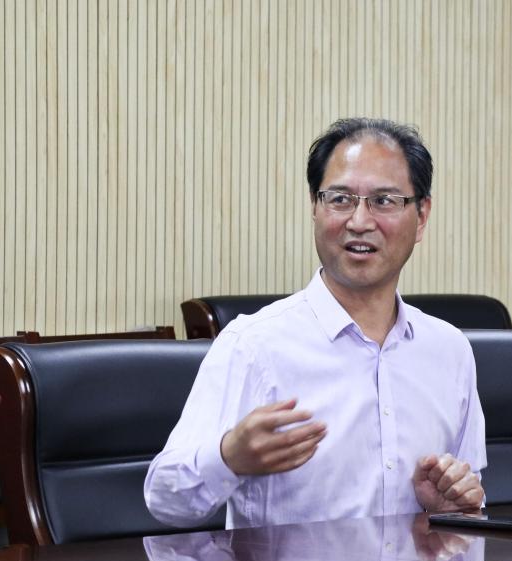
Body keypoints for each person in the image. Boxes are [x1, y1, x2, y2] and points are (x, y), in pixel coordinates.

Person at [144, 118, 486, 529]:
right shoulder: (253, 345)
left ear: (422, 215)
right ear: (315, 207)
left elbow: (469, 492)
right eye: (340, 199)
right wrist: (229, 458)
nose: (359, 221)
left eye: (384, 200)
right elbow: (165, 500)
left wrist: (448, 506)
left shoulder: (449, 350)